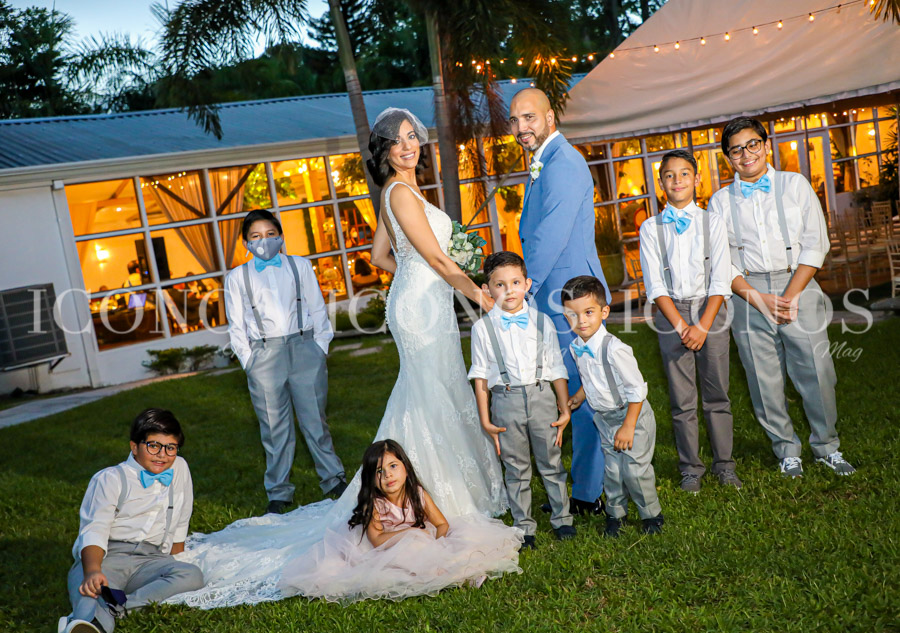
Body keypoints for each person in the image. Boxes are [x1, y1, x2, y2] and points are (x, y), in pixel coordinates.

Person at [166, 108, 505, 610]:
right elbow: (433, 257)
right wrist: (477, 292)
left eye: (414, 136)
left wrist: (421, 271)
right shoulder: (398, 191)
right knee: (431, 391)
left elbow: (380, 257)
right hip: (421, 306)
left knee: (433, 389)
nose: (409, 145)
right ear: (385, 152)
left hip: (418, 300)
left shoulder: (401, 194)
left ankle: (423, 489)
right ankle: (436, 493)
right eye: (398, 141)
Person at [708, 117, 854, 478]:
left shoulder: (795, 185)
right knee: (763, 378)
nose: (746, 154)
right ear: (728, 158)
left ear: (766, 145)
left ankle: (826, 445)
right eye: (736, 149)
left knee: (818, 370)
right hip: (746, 294)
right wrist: (757, 298)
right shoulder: (720, 201)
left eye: (752, 144)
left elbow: (815, 243)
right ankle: (787, 449)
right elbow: (719, 261)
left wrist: (788, 297)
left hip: (798, 285)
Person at [510, 88, 609, 515]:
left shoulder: (563, 163)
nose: (520, 128)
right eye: (514, 121)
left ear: (550, 117)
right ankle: (583, 485)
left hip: (570, 295)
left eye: (529, 118)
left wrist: (520, 288)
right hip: (556, 292)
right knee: (567, 386)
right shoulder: (546, 163)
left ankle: (590, 492)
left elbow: (550, 234)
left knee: (584, 392)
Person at [277, 440, 522, 603]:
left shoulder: (417, 493)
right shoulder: (374, 503)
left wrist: (439, 543)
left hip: (423, 540)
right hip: (386, 547)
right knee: (409, 555)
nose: (388, 475)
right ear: (370, 480)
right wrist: (408, 536)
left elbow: (442, 524)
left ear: (405, 467)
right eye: (379, 472)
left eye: (393, 466)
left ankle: (457, 571)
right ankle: (453, 576)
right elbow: (375, 540)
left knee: (459, 543)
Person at [224, 209, 347, 514]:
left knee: (315, 419)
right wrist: (249, 361)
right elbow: (236, 326)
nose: (263, 241)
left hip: (304, 347)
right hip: (264, 354)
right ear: (246, 243)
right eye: (255, 236)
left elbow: (318, 308)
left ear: (280, 237)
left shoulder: (300, 266)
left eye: (269, 234)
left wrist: (319, 347)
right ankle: (279, 492)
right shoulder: (237, 277)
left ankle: (333, 479)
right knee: (274, 427)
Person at [638, 150, 742, 493]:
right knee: (682, 399)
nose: (678, 180)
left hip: (711, 308)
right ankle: (690, 468)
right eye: (670, 175)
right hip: (671, 313)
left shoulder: (712, 221)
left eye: (685, 174)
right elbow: (655, 285)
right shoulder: (650, 228)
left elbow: (720, 279)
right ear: (661, 183)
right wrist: (682, 326)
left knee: (717, 394)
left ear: (697, 179)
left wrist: (702, 325)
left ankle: (724, 465)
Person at [59, 409, 203, 633]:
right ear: (134, 446)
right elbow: (94, 529)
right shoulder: (109, 479)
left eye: (170, 448)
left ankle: (116, 609)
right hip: (109, 556)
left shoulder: (179, 468)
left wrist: (176, 558)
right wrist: (93, 570)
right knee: (90, 591)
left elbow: (182, 517)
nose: (162, 455)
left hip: (151, 559)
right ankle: (89, 624)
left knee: (191, 575)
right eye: (153, 445)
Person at [468, 251, 574, 549]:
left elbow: (556, 368)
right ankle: (524, 527)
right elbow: (480, 378)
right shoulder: (482, 329)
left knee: (551, 462)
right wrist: (486, 419)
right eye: (500, 284)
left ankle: (562, 519)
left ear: (527, 284)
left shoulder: (543, 322)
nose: (509, 290)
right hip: (506, 401)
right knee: (516, 468)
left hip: (542, 397)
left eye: (515, 282)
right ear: (487, 290)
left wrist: (563, 409)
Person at [563, 276, 664, 538]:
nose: (581, 321)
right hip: (604, 419)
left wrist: (628, 426)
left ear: (604, 312)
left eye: (588, 312)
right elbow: (592, 378)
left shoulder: (615, 349)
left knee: (634, 471)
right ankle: (615, 514)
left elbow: (636, 389)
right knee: (612, 471)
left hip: (631, 415)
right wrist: (579, 396)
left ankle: (651, 514)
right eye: (573, 315)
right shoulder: (577, 347)